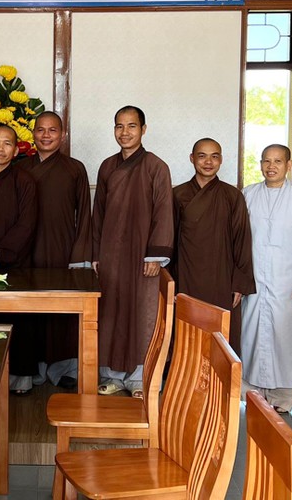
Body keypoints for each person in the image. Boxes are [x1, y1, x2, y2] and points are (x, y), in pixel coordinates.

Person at [92, 106, 174, 396]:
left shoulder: (156, 167)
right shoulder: (107, 166)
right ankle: (113, 375)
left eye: (131, 126)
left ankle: (142, 379)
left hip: (143, 257)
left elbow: (164, 212)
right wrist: (96, 254)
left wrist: (155, 255)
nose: (124, 132)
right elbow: (98, 212)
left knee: (143, 313)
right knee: (111, 311)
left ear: (143, 129)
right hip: (112, 254)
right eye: (119, 126)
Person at [242, 144, 292, 414]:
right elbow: (239, 241)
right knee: (252, 332)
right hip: (254, 279)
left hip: (288, 280)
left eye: (277, 161)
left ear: (289, 165)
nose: (270, 166)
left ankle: (283, 397)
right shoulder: (248, 194)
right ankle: (252, 394)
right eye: (266, 161)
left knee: (285, 336)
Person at [19, 111, 92, 389]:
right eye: (40, 130)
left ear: (63, 135)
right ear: (33, 134)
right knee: (31, 309)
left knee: (63, 309)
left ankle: (65, 368)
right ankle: (31, 367)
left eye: (52, 130)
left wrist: (81, 254)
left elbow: (84, 213)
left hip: (63, 247)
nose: (46, 135)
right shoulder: (21, 168)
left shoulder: (75, 168)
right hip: (27, 251)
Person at [172, 138, 255, 356]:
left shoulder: (232, 195)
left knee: (221, 337)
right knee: (187, 334)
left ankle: (222, 387)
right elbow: (169, 240)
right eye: (202, 156)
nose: (208, 162)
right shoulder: (177, 195)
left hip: (222, 277)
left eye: (214, 156)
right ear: (192, 158)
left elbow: (242, 239)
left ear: (221, 160)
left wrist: (239, 282)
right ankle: (186, 385)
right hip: (186, 277)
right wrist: (170, 281)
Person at [0, 124, 39, 393]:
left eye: (7, 144)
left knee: (17, 317)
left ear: (16, 150)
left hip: (13, 262)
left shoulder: (25, 181)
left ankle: (19, 379)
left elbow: (27, 224)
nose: (0, 148)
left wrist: (0, 253)